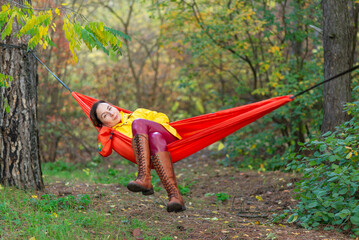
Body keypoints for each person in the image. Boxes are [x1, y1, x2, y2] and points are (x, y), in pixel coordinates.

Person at [90, 100, 186, 212]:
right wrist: (104, 129)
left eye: (110, 108)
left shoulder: (138, 113)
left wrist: (149, 127)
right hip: (156, 149)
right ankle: (175, 196)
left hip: (170, 139)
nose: (111, 114)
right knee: (155, 137)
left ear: (114, 107)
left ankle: (144, 177)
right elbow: (104, 151)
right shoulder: (116, 134)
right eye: (105, 115)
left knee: (139, 124)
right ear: (102, 123)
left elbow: (162, 117)